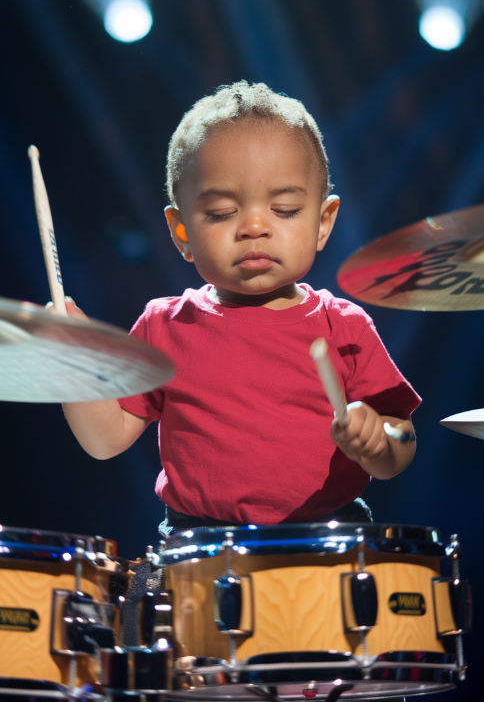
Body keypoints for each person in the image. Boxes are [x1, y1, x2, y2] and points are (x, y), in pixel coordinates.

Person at [62, 81, 419, 535]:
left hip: (331, 543)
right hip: (199, 550)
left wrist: (379, 442)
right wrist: (68, 361)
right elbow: (105, 439)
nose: (254, 226)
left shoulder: (344, 325)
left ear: (323, 222)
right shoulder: (164, 326)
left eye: (285, 209)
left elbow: (402, 443)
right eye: (221, 213)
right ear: (182, 231)